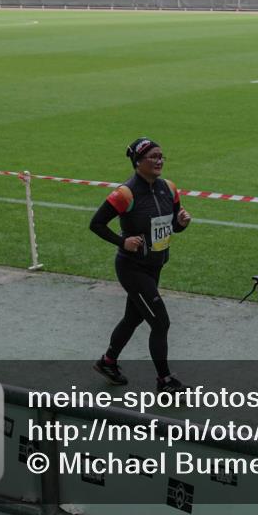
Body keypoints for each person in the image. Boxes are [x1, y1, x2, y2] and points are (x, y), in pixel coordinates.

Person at [90, 138, 191, 394]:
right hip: (132, 269)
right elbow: (96, 224)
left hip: (155, 266)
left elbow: (172, 226)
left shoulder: (169, 188)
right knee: (160, 322)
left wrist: (181, 223)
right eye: (153, 157)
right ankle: (165, 381)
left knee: (132, 318)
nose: (159, 161)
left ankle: (108, 362)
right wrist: (122, 241)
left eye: (161, 156)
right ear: (138, 162)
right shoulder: (125, 193)